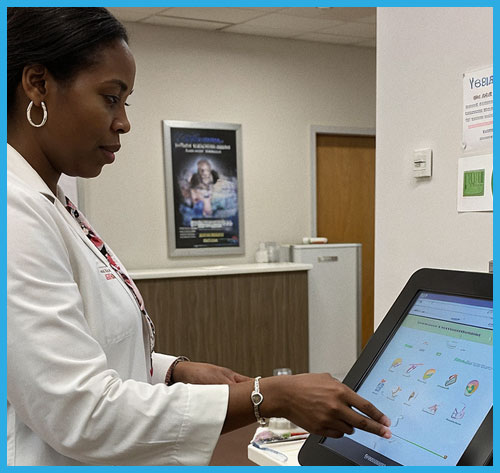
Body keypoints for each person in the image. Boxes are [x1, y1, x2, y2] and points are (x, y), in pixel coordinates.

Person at [6, 7, 391, 466]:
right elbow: (81, 413)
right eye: (111, 98)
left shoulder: (53, 204)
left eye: (127, 102)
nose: (124, 121)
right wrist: (266, 396)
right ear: (37, 84)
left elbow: (87, 349)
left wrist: (173, 371)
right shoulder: (14, 211)